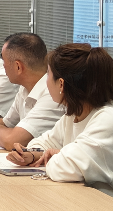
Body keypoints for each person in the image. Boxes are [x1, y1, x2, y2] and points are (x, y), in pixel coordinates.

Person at [7, 43, 113, 195]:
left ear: (61, 84)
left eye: (48, 74)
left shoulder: (107, 119)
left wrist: (59, 154)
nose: (45, 81)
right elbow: (43, 143)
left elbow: (63, 169)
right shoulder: (72, 115)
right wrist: (30, 155)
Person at [0, 33, 64, 149]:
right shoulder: (24, 88)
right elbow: (6, 123)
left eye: (4, 61)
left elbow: (11, 140)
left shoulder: (51, 95)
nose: (3, 66)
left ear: (18, 67)